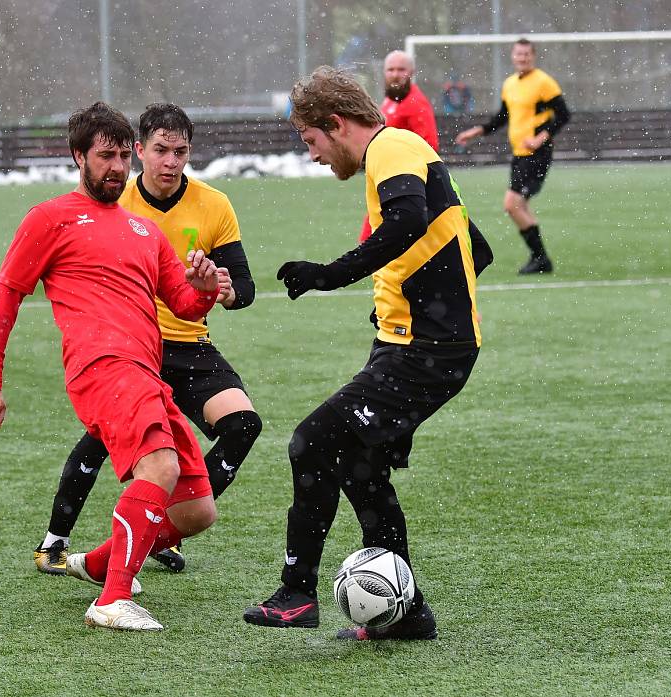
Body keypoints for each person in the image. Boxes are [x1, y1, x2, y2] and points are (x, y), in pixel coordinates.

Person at [242, 67, 493, 641]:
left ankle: (297, 593)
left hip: (427, 352)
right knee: (361, 467)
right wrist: (411, 299)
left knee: (311, 441)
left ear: (335, 125)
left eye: (310, 141)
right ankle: (406, 615)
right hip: (412, 344)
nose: (312, 156)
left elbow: (407, 220)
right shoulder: (403, 152)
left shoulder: (391, 145)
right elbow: (476, 248)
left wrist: (330, 275)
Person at [0, 102, 223, 631]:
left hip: (147, 372)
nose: (115, 167)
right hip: (103, 365)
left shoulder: (144, 231)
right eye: (103, 156)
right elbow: (5, 297)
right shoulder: (50, 218)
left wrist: (204, 291)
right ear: (77, 157)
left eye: (121, 156)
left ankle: (96, 563)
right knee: (159, 468)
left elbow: (182, 302)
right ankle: (112, 599)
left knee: (196, 508)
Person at [32, 103, 261, 577]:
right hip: (133, 348)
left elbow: (244, 289)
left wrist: (219, 287)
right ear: (139, 151)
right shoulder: (118, 205)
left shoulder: (214, 204)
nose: (170, 162)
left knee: (243, 425)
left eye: (180, 151)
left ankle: (160, 531)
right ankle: (54, 539)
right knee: (101, 439)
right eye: (160, 150)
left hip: (191, 345)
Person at [456, 38, 570, 274]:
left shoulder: (543, 81)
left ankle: (540, 258)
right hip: (520, 154)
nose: (523, 58)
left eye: (527, 54)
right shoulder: (510, 84)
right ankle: (540, 259)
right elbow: (503, 117)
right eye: (519, 54)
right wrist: (478, 131)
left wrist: (540, 139)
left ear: (533, 56)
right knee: (519, 206)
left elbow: (564, 114)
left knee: (512, 204)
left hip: (537, 154)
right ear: (513, 56)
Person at [358, 50, 439, 242]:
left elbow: (430, 145)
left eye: (401, 69)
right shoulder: (391, 99)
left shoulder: (416, 103)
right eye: (390, 69)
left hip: (401, 184)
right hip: (386, 181)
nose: (395, 74)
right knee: (372, 240)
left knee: (374, 242)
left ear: (412, 72)